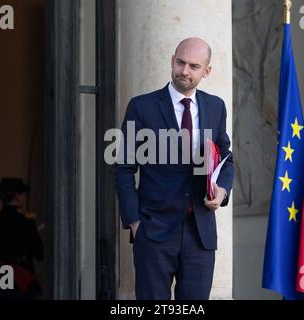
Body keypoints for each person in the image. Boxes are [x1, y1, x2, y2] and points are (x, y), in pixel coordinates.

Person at [115, 38, 234, 300]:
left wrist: (222, 191)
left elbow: (226, 157)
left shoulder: (216, 107)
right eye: (180, 62)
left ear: (206, 71)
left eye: (194, 66)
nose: (185, 71)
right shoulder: (141, 106)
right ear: (172, 60)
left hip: (200, 232)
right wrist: (134, 223)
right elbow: (123, 168)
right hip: (154, 230)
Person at [0, 177, 44, 300]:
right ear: (17, 196)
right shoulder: (26, 223)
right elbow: (40, 254)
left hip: (2, 277)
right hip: (22, 282)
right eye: (22, 193)